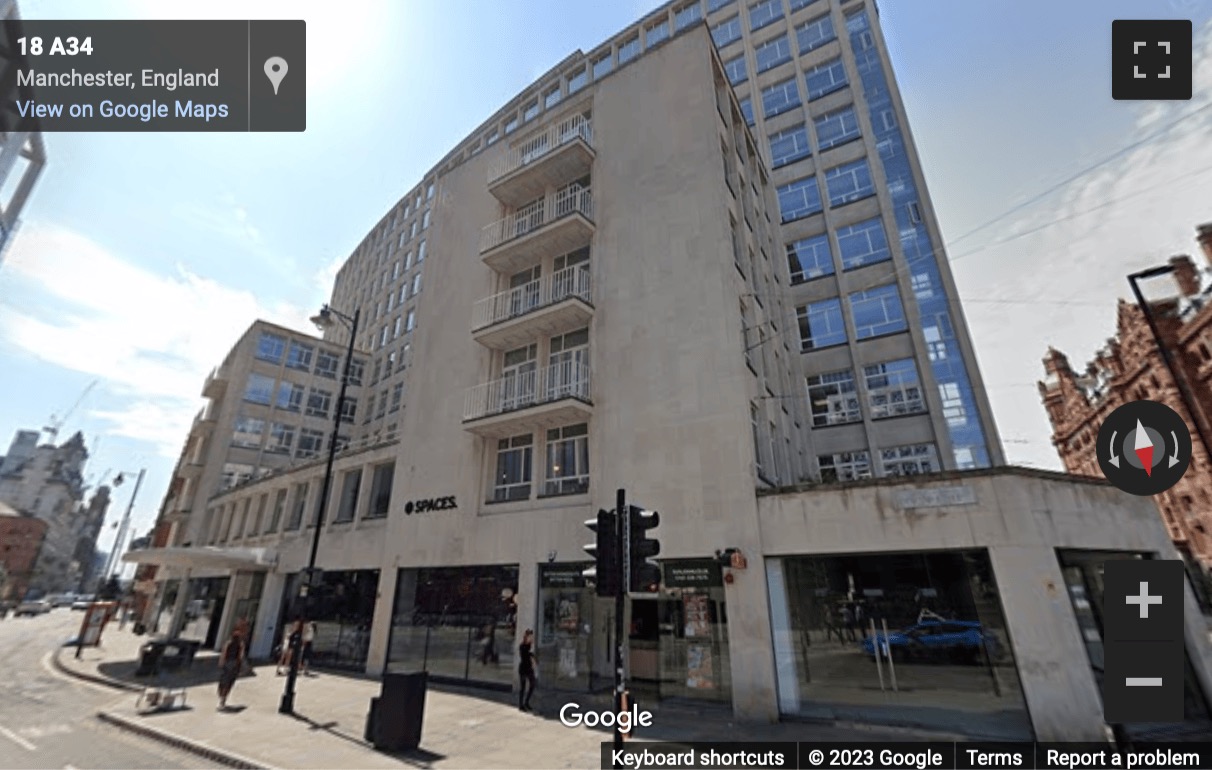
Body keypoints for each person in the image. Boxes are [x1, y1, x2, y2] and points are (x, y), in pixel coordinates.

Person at [217, 625, 247, 710]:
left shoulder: (228, 643)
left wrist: (221, 662)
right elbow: (240, 656)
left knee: (224, 681)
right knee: (229, 682)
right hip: (233, 664)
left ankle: (222, 697)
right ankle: (223, 698)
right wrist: (240, 665)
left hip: (228, 663)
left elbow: (224, 653)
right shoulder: (240, 644)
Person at [517, 628, 537, 712]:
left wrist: (533, 657)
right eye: (530, 637)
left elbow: (530, 655)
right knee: (523, 687)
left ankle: (526, 702)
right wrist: (531, 656)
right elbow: (525, 655)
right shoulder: (522, 646)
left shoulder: (529, 645)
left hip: (529, 668)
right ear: (526, 637)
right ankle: (521, 705)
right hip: (523, 668)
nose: (532, 639)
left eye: (532, 637)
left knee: (532, 684)